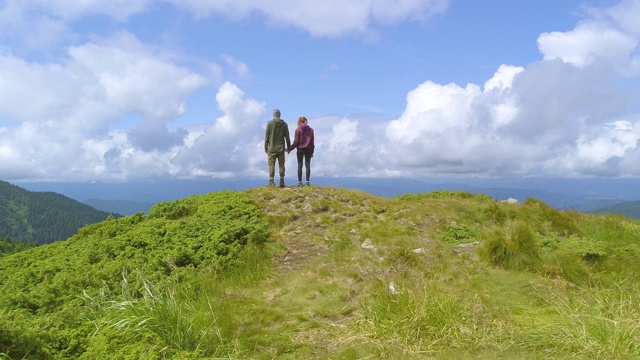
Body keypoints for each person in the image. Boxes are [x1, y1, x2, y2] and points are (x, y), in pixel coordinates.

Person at [264, 108, 291, 187]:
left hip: (272, 148)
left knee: (271, 164)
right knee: (281, 165)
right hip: (281, 148)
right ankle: (282, 181)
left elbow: (266, 136)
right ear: (280, 115)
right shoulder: (284, 124)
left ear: (273, 115)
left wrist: (265, 147)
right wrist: (288, 147)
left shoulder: (269, 124)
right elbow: (287, 137)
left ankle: (271, 181)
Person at [287, 116, 315, 186]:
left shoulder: (298, 130)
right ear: (306, 121)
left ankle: (299, 182)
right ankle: (307, 181)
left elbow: (296, 142)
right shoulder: (311, 130)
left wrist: (289, 148)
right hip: (308, 149)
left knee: (300, 165)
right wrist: (312, 151)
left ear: (299, 122)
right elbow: (312, 142)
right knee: (307, 165)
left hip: (300, 149)